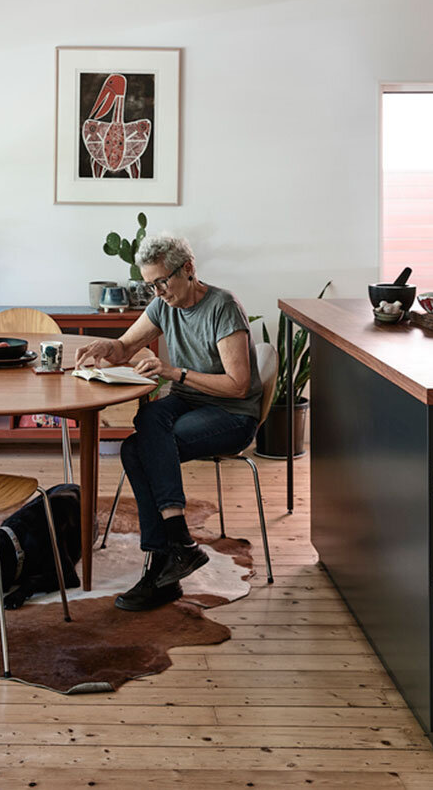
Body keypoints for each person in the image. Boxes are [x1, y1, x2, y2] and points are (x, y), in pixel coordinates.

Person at [75, 233, 261, 611]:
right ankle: (176, 548)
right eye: (150, 285)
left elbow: (238, 386)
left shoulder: (222, 307)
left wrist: (173, 372)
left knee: (139, 448)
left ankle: (165, 560)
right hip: (189, 404)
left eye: (162, 281)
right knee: (143, 427)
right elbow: (124, 348)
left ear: (188, 268)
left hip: (231, 414)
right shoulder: (163, 305)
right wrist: (107, 347)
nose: (158, 292)